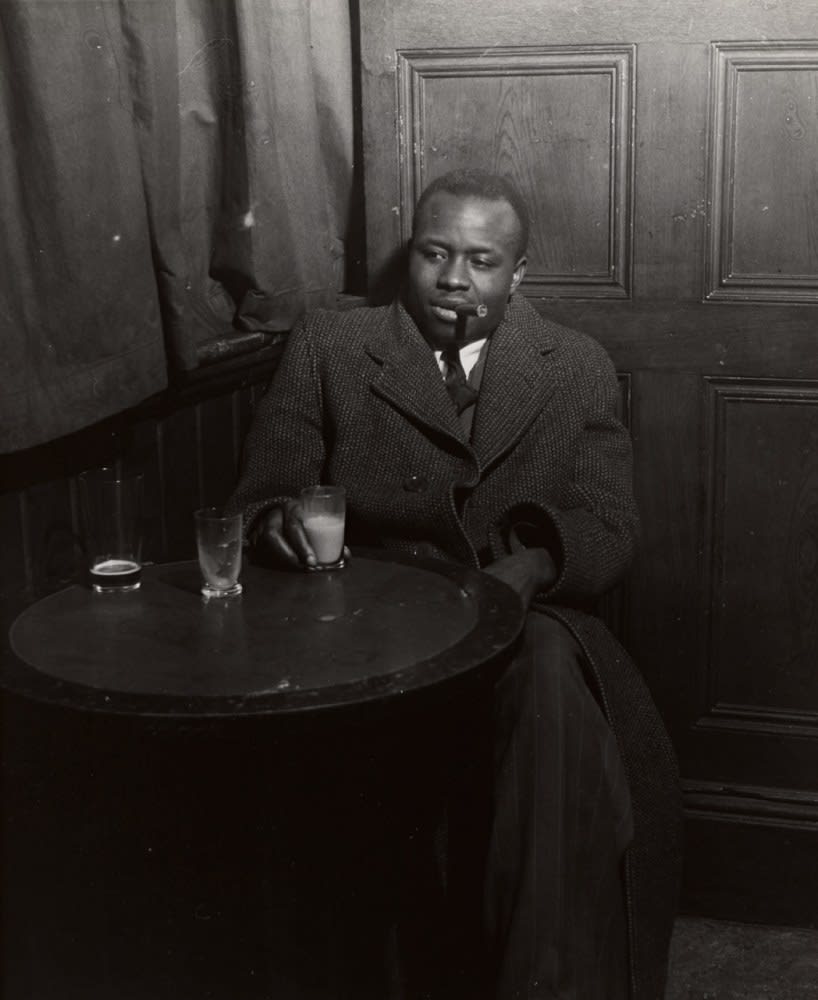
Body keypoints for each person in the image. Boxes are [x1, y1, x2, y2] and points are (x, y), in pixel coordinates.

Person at [226, 170, 681, 998]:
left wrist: (532, 567)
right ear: (412, 255)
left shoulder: (575, 364)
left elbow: (613, 524)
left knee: (547, 685)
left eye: (482, 261)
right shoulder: (330, 347)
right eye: (436, 254)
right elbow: (261, 496)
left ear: (518, 274)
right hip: (368, 618)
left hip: (525, 621)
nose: (454, 280)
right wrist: (278, 524)